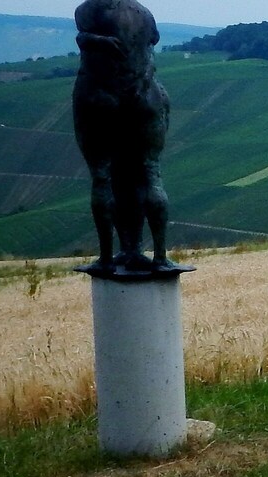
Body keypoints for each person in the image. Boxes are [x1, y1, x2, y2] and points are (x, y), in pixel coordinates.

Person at [73, 0, 186, 275]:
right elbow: (153, 40)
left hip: (100, 99)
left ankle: (106, 258)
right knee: (150, 174)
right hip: (144, 97)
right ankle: (158, 256)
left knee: (102, 177)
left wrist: (93, 40)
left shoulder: (89, 8)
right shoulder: (144, 13)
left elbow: (83, 39)